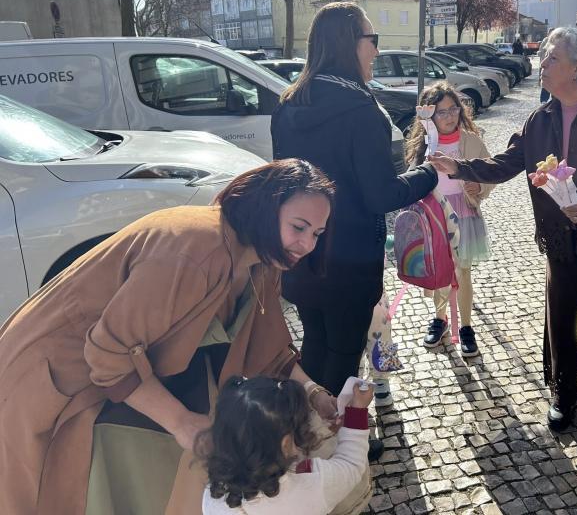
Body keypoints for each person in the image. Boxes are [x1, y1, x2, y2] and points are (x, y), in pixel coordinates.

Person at [0, 159, 344, 515]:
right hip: (49, 382)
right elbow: (108, 354)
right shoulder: (193, 249)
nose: (306, 245)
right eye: (299, 227)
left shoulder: (263, 260)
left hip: (108, 382)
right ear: (265, 209)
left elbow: (265, 345)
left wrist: (312, 392)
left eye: (317, 233)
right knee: (43, 494)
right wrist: (183, 425)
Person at [429, 27, 577, 432]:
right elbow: (506, 162)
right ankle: (564, 393)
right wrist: (459, 168)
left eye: (552, 58)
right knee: (564, 316)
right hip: (562, 240)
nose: (542, 64)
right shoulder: (543, 116)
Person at [271, 2, 438, 454]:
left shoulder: (288, 104)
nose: (377, 51)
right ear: (350, 44)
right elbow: (381, 194)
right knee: (343, 351)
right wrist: (430, 174)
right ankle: (335, 439)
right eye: (373, 39)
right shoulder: (363, 110)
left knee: (317, 341)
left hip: (301, 252)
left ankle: (306, 426)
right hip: (350, 260)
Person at [405, 82, 495, 356]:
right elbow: (412, 179)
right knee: (439, 271)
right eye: (440, 112)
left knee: (462, 271)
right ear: (428, 116)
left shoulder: (469, 140)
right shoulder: (424, 145)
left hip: (464, 213)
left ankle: (466, 327)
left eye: (452, 109)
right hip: (434, 215)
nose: (448, 116)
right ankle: (440, 318)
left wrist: (478, 187)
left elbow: (489, 169)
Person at [200, 376, 373, 515]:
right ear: (285, 444)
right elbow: (351, 464)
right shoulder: (310, 483)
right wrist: (357, 411)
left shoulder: (214, 493)